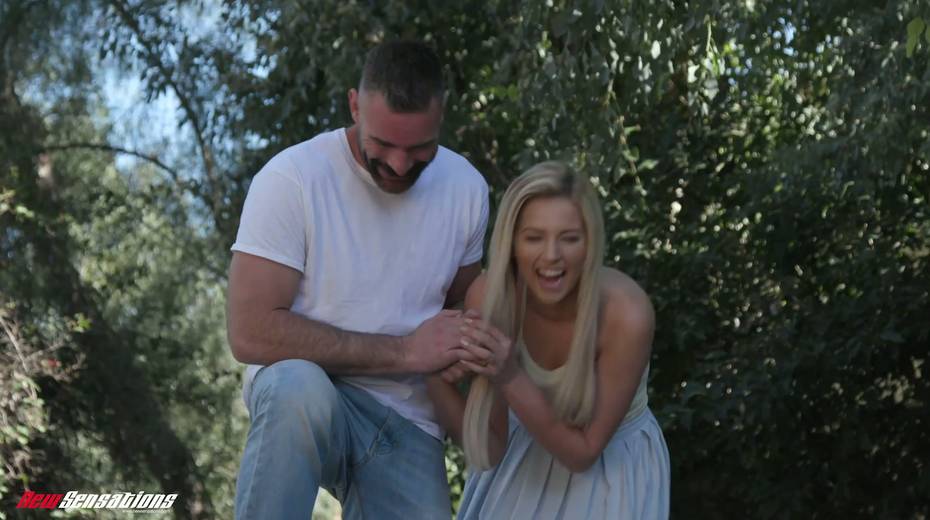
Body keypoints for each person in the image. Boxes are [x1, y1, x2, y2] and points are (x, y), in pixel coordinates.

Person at [226, 40, 489, 519]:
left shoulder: (467, 189)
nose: (399, 165)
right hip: (308, 392)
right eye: (383, 144)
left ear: (441, 117)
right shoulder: (292, 178)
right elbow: (250, 332)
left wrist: (467, 348)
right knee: (296, 387)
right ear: (354, 106)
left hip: (408, 418)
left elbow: (460, 310)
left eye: (419, 149)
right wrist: (405, 352)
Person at [427, 161, 670, 519]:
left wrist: (509, 376)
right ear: (512, 243)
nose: (552, 255)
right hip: (521, 459)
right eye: (534, 238)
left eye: (569, 238)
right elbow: (489, 449)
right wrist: (434, 375)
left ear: (590, 243)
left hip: (610, 469)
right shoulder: (491, 298)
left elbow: (583, 454)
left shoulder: (626, 314)